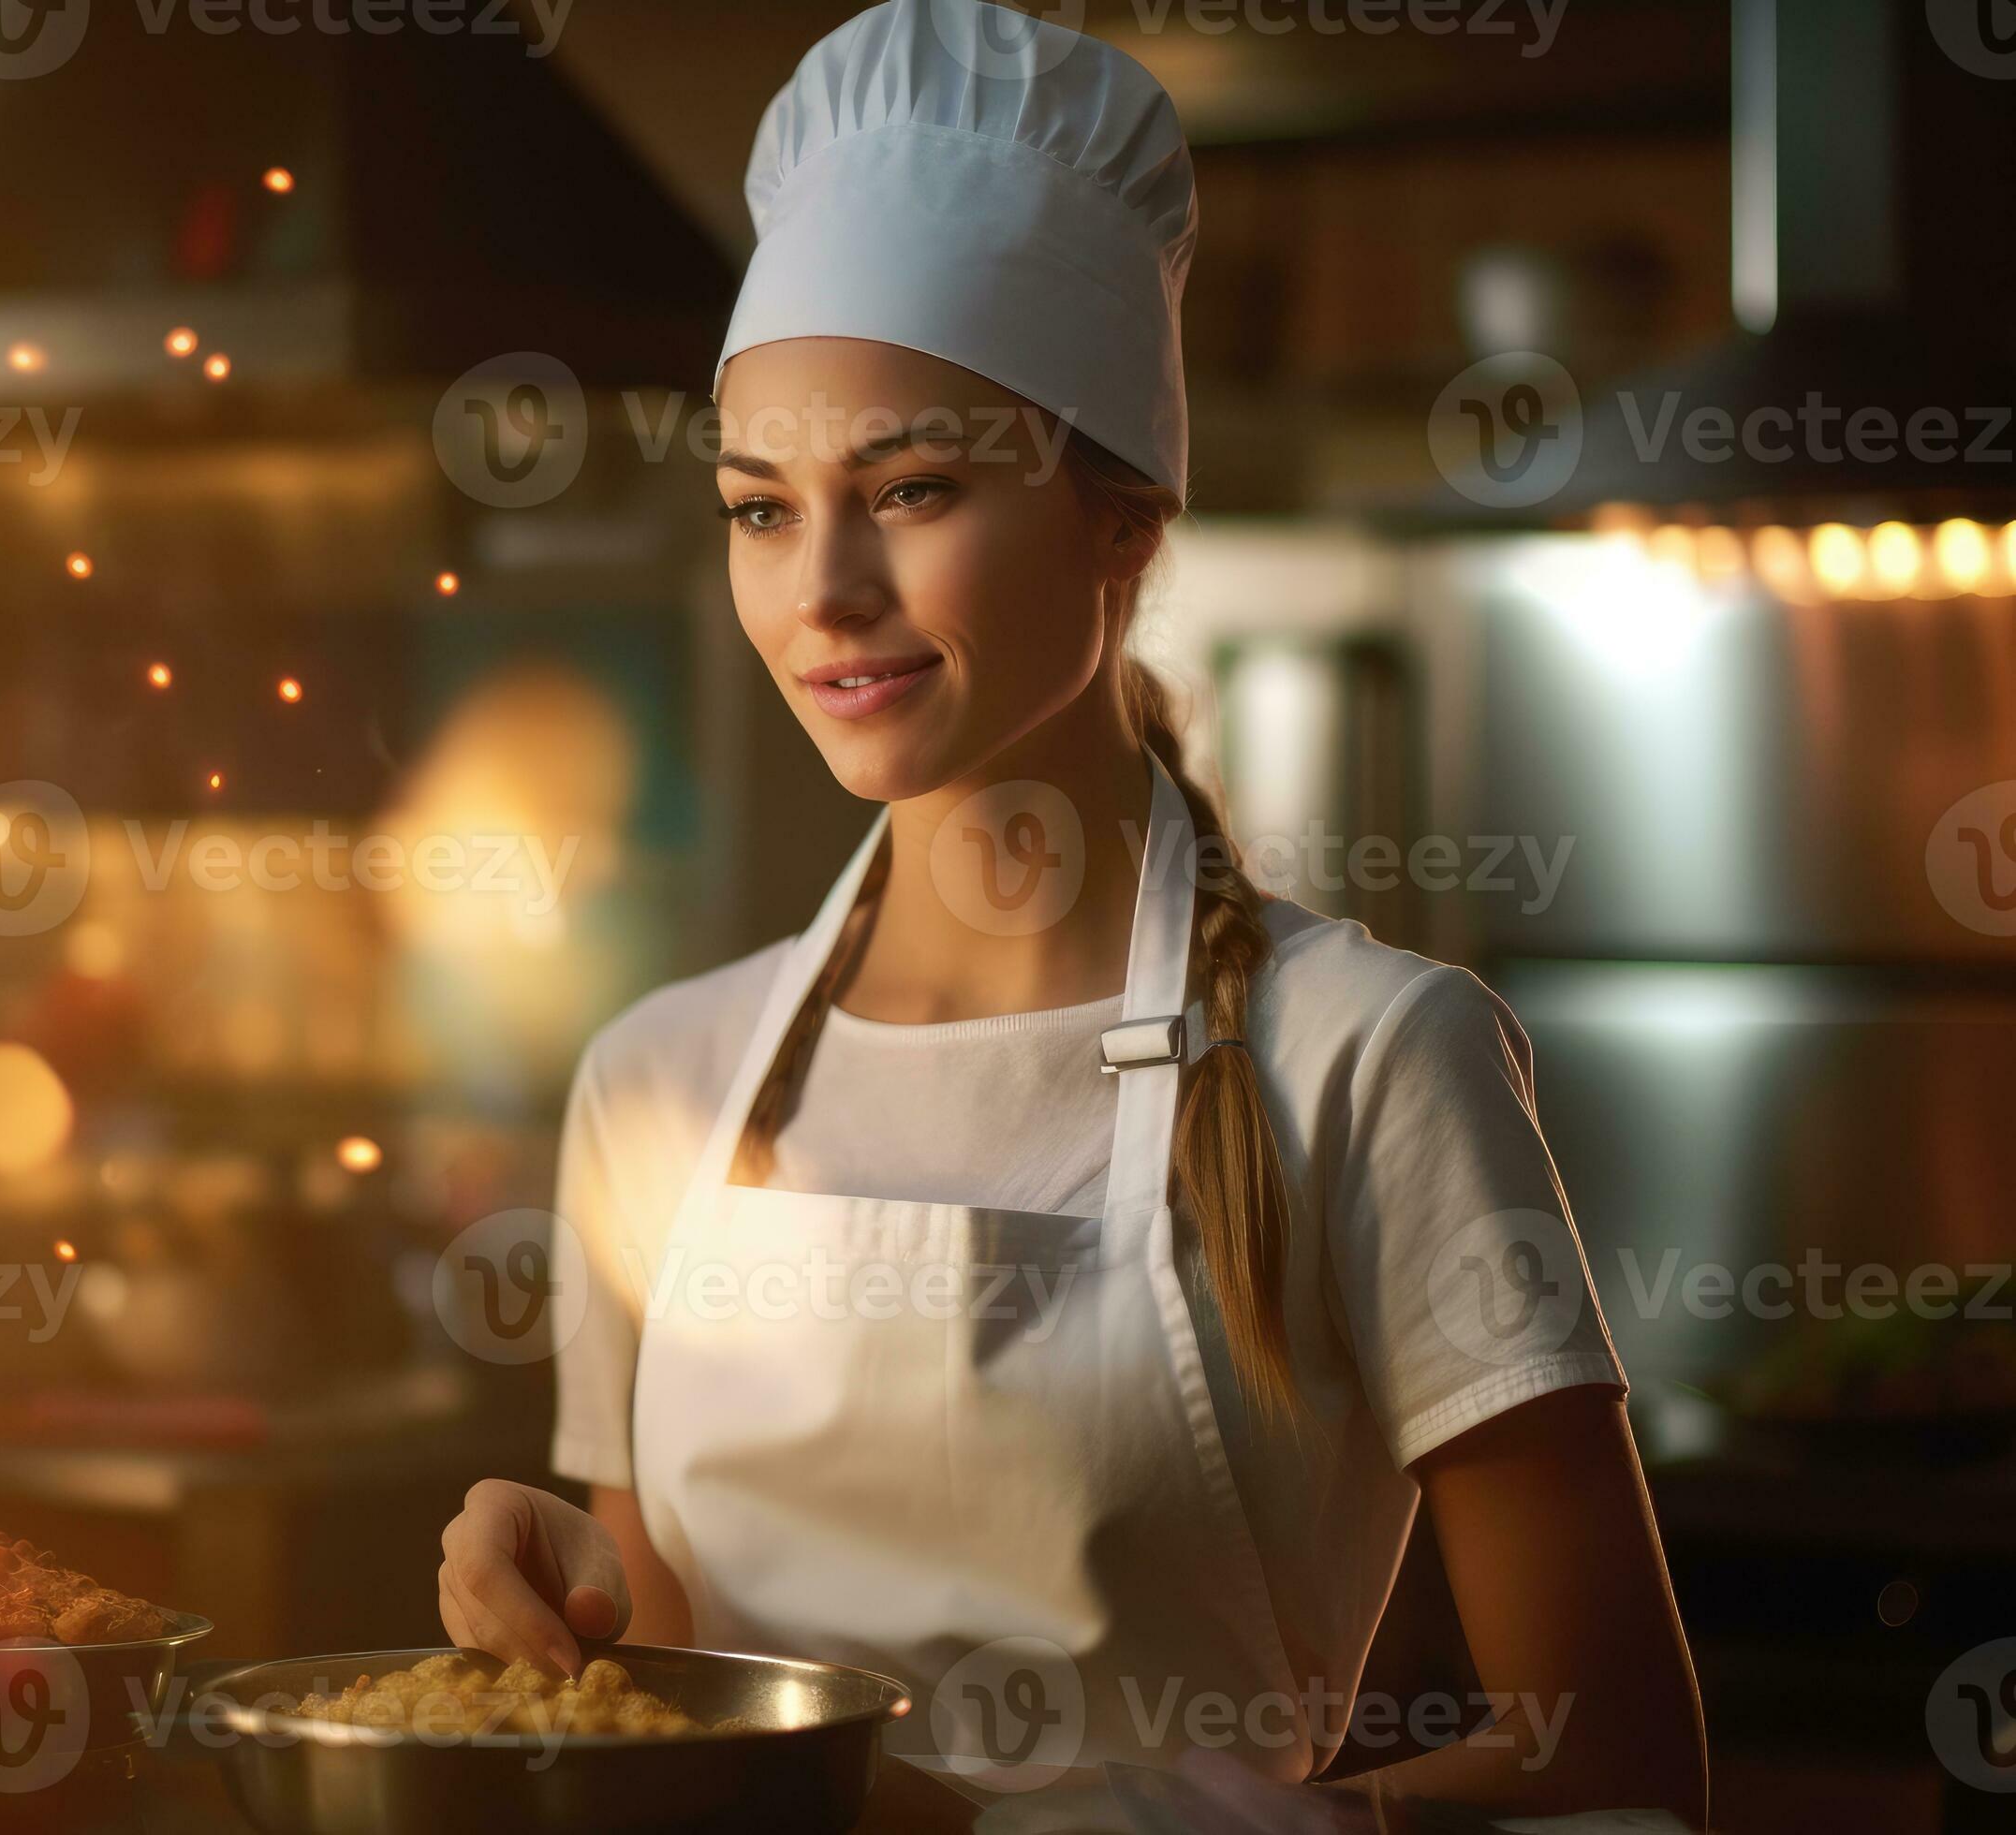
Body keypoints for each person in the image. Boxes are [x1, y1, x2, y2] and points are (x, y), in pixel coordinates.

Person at [437, 1, 1706, 1822]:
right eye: (759, 508)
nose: (825, 593)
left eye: (915, 490)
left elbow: (1633, 1778)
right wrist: (567, 1597)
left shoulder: (1368, 1064)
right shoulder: (659, 1078)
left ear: (1124, 519)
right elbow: (688, 1711)